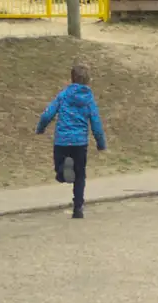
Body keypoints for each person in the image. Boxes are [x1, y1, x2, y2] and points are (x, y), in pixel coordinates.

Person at [36, 61, 107, 219]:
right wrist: (101, 143)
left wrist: (40, 128)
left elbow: (48, 114)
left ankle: (62, 172)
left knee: (60, 170)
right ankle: (78, 208)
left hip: (62, 140)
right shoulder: (89, 100)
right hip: (80, 143)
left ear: (71, 78)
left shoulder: (63, 95)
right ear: (88, 80)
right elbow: (96, 122)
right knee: (80, 176)